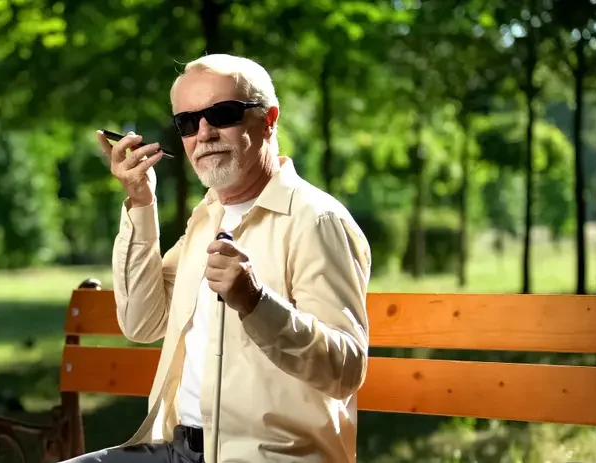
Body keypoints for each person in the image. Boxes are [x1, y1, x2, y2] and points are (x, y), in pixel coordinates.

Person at [67, 54, 372, 463]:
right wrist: (141, 201)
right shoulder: (209, 215)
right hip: (180, 450)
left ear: (269, 120)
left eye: (222, 114)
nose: (204, 133)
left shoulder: (317, 220)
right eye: (188, 123)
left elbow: (345, 371)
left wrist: (257, 303)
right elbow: (142, 323)